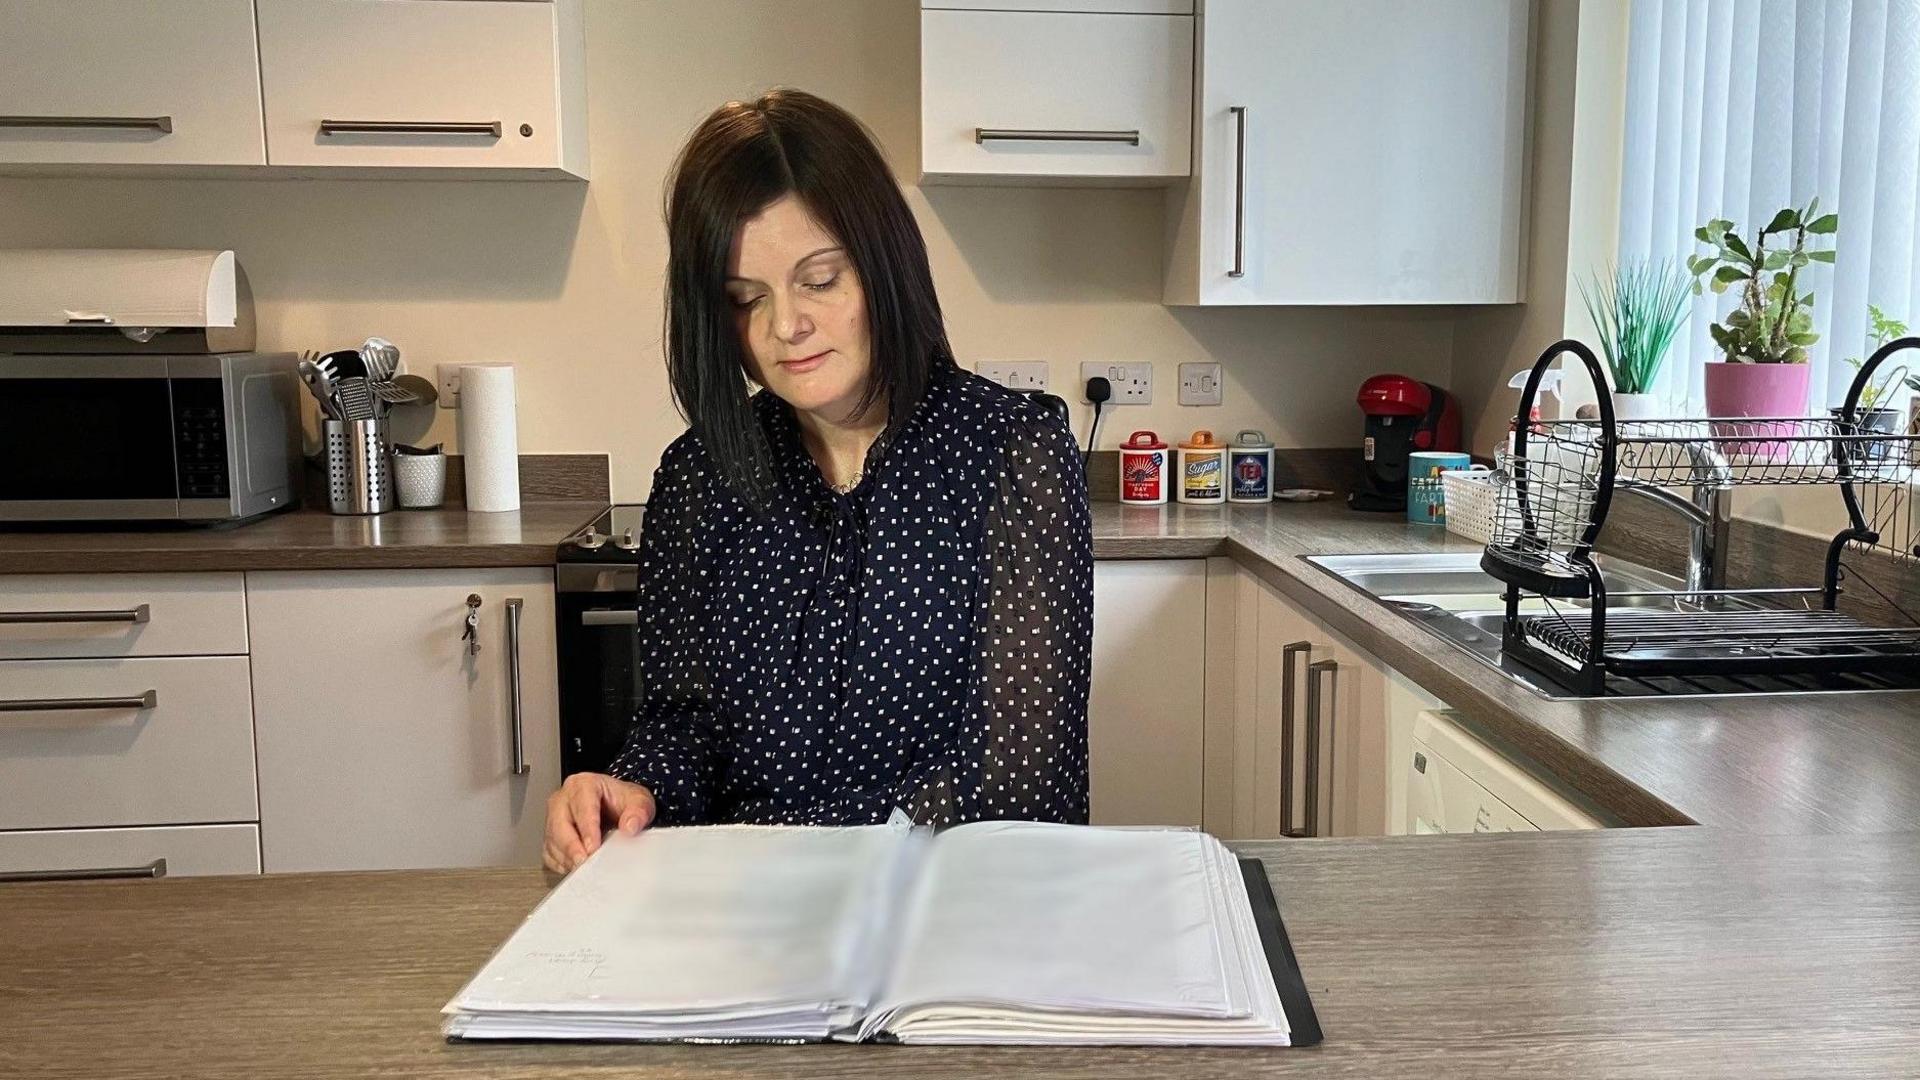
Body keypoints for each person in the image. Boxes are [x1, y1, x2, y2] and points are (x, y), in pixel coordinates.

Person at [543, 89, 1093, 874]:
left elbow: (1020, 772)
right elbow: (682, 724)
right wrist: (629, 790)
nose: (784, 327)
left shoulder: (1011, 451)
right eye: (745, 299)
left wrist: (832, 875)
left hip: (951, 902)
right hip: (746, 912)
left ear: (883, 266)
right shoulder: (700, 477)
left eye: (821, 280)